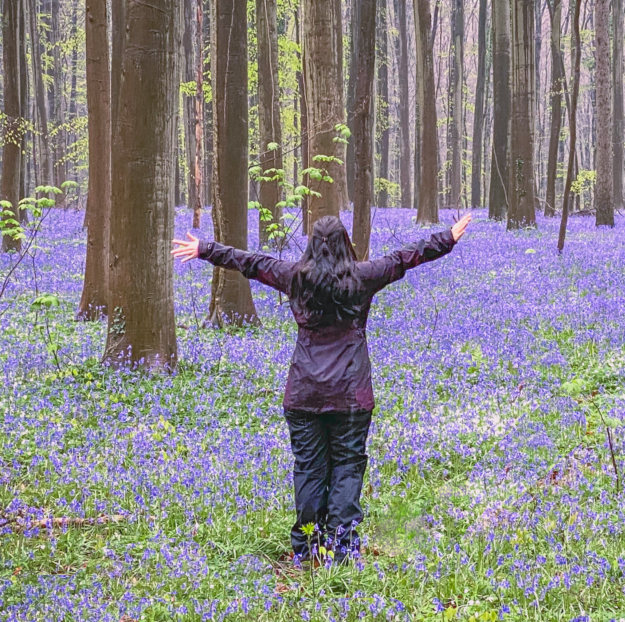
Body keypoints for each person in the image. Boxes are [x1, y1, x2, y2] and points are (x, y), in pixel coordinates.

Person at [171, 212, 472, 564]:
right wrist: (447, 238)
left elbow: (251, 262)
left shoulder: (294, 278)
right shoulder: (363, 277)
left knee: (309, 469)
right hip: (351, 396)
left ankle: (307, 548)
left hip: (304, 393)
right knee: (347, 467)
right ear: (346, 244)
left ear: (312, 246)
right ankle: (342, 549)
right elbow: (405, 257)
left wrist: (206, 248)